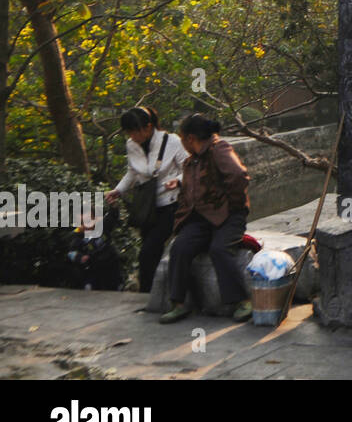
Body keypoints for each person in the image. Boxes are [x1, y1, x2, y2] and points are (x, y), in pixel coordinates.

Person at [160, 114, 252, 324]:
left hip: (230, 216)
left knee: (219, 249)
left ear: (190, 138)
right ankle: (179, 303)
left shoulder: (219, 149)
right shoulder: (192, 160)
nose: (183, 143)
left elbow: (238, 176)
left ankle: (242, 301)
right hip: (202, 218)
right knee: (180, 246)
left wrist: (234, 208)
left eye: (183, 139)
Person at [105, 106, 186, 294]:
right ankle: (153, 294)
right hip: (147, 207)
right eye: (129, 132)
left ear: (148, 127)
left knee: (148, 252)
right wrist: (118, 190)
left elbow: (189, 168)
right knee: (149, 253)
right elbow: (132, 172)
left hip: (170, 204)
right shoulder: (131, 145)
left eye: (135, 131)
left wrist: (178, 181)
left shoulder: (172, 141)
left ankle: (147, 295)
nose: (132, 136)